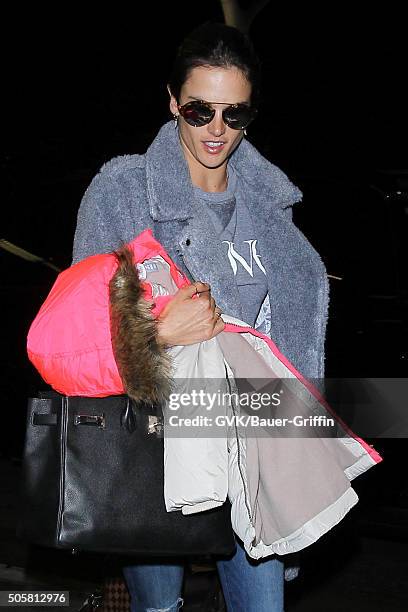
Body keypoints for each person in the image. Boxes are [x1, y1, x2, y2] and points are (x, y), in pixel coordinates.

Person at [72, 21, 329, 612]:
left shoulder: (270, 206)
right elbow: (75, 328)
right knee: (160, 608)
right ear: (171, 101)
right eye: (199, 110)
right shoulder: (124, 191)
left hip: (258, 444)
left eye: (233, 114)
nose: (216, 129)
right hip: (157, 445)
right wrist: (156, 334)